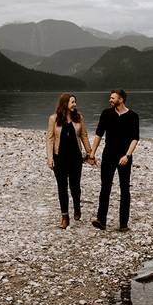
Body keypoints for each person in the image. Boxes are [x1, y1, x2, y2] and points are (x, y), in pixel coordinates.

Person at [89, 89, 140, 231]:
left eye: (113, 98)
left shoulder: (133, 116)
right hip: (108, 155)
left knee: (124, 189)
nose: (110, 100)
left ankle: (123, 224)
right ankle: (101, 220)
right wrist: (92, 153)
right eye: (110, 98)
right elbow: (99, 134)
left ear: (121, 99)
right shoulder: (106, 113)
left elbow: (135, 138)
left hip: (124, 156)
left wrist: (127, 155)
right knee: (105, 187)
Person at [46, 93, 92, 229]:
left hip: (76, 158)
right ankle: (65, 216)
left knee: (75, 187)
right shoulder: (53, 119)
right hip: (59, 158)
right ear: (65, 103)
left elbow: (84, 136)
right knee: (62, 187)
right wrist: (49, 158)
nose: (75, 104)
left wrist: (90, 153)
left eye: (75, 102)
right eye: (72, 102)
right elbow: (50, 139)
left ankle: (77, 206)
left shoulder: (79, 118)